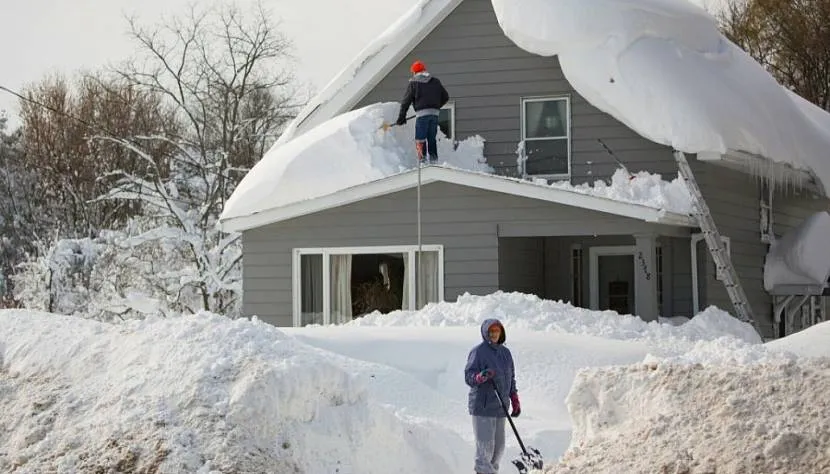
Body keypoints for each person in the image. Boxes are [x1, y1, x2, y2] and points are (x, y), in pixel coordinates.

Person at [464, 318, 520, 474]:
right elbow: (469, 376)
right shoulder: (478, 352)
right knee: (485, 449)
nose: (494, 334)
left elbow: (511, 378)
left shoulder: (505, 353)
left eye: (497, 331)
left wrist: (514, 398)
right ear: (485, 333)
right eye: (491, 331)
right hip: (483, 406)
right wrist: (480, 377)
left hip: (501, 407)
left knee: (498, 448)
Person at [395, 60, 450, 163]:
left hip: (422, 116)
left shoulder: (414, 83)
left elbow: (406, 101)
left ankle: (423, 162)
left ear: (415, 72)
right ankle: (434, 161)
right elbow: (446, 97)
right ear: (424, 70)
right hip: (434, 115)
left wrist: (401, 117)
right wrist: (435, 107)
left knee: (420, 139)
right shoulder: (435, 81)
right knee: (431, 139)